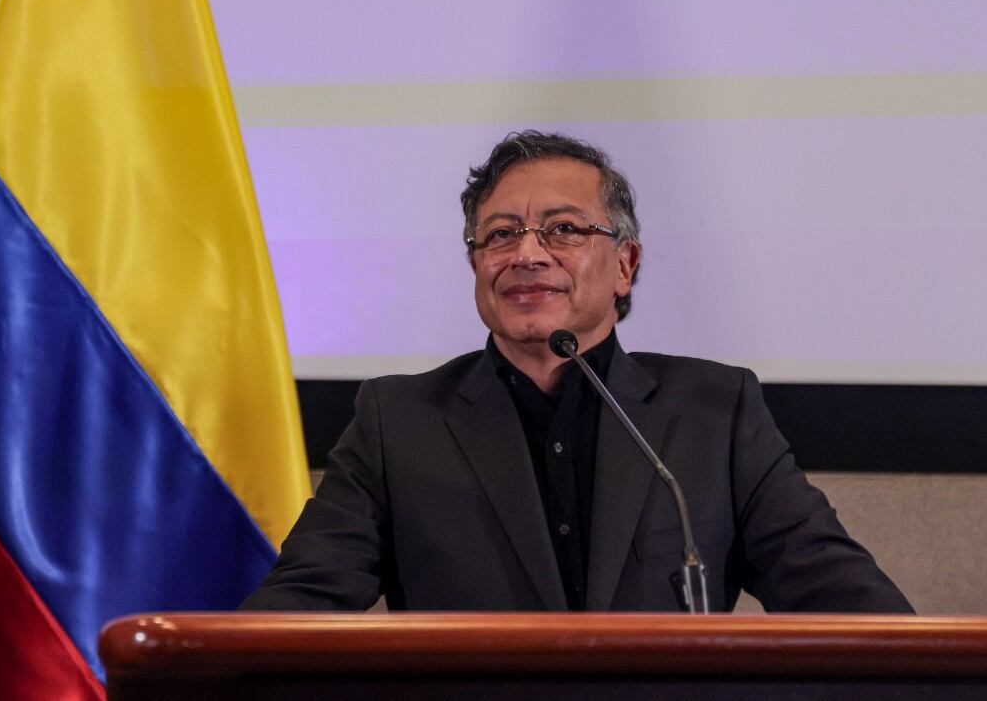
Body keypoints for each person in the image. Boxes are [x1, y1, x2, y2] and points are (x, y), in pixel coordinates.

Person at [243, 131, 912, 613]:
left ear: (626, 264)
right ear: (476, 265)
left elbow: (838, 592)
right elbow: (298, 605)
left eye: (563, 229)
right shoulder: (399, 422)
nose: (527, 253)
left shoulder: (715, 410)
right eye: (500, 235)